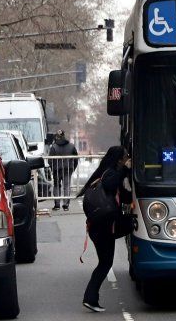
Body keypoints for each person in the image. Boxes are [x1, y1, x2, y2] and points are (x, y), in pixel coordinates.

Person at [77, 146, 132, 312]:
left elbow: (124, 196)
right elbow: (112, 184)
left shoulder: (106, 173)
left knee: (105, 262)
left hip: (102, 225)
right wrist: (125, 170)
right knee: (105, 263)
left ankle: (91, 297)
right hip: (103, 226)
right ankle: (90, 298)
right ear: (119, 159)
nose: (127, 159)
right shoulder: (109, 174)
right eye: (125, 156)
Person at [49, 130, 79, 211]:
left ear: (57, 137)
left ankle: (57, 205)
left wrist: (52, 169)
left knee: (57, 186)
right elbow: (76, 159)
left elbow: (50, 160)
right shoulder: (71, 146)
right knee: (66, 186)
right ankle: (66, 205)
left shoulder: (53, 147)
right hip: (68, 169)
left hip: (57, 170)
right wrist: (73, 168)